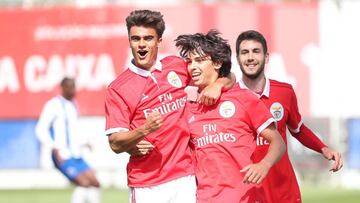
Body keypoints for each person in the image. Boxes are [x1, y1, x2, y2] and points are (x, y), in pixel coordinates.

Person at [104, 10, 235, 203]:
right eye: (136, 38)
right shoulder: (118, 88)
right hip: (147, 183)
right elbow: (115, 143)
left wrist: (218, 85)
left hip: (185, 177)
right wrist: (143, 130)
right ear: (129, 41)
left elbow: (228, 76)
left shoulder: (176, 66)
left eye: (148, 38)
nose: (141, 44)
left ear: (158, 41)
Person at [175, 30, 286, 203]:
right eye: (189, 62)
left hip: (246, 197)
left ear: (217, 62)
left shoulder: (244, 99)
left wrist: (263, 165)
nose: (192, 67)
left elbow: (278, 142)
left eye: (199, 60)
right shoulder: (188, 107)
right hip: (204, 198)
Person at [235, 30, 343, 203]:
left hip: (282, 189)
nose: (250, 57)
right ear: (238, 58)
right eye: (244, 52)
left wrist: (323, 148)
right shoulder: (229, 97)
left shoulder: (284, 92)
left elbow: (297, 128)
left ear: (266, 57)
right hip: (246, 190)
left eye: (256, 51)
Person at [36, 77, 101, 203]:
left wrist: (84, 142)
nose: (73, 90)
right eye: (71, 87)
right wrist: (54, 147)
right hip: (63, 155)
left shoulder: (73, 104)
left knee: (95, 183)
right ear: (63, 88)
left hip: (76, 154)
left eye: (74, 87)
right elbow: (40, 129)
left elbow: (73, 130)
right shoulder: (53, 105)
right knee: (84, 183)